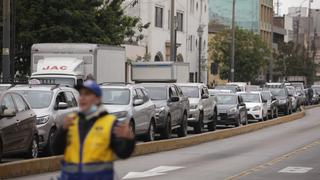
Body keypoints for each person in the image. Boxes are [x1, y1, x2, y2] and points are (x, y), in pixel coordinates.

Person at [53, 80, 135, 180]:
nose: (82, 98)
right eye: (81, 94)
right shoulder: (71, 121)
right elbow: (56, 150)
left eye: (87, 94)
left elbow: (123, 153)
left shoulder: (110, 123)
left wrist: (128, 140)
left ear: (97, 99)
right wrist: (62, 130)